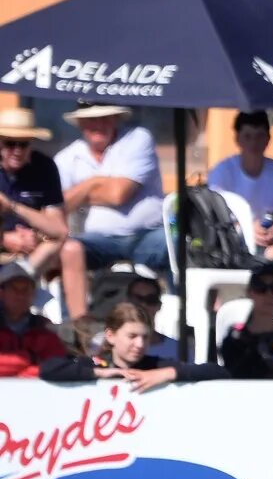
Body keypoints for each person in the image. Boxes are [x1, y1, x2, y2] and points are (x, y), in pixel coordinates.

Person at [55, 103, 167, 300]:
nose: (98, 124)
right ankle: (75, 321)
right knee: (67, 250)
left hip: (147, 235)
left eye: (105, 118)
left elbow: (118, 194)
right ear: (80, 123)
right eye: (91, 119)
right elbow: (57, 206)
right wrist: (94, 182)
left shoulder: (138, 138)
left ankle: (187, 313)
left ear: (116, 119)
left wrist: (79, 195)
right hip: (98, 241)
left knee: (181, 246)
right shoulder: (66, 157)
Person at [43, 300, 222, 389]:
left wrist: (169, 373)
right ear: (111, 336)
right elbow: (49, 369)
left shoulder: (154, 365)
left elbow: (218, 372)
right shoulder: (92, 363)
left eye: (145, 337)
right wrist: (99, 373)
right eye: (132, 336)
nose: (140, 344)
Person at [0, 108, 70, 294]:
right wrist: (5, 239)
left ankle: (20, 278)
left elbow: (59, 230)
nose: (16, 151)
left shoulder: (45, 167)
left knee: (64, 244)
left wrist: (13, 207)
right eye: (10, 143)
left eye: (23, 144)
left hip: (31, 256)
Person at [209, 110, 273, 257]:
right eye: (248, 136)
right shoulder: (221, 172)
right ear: (237, 139)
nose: (254, 142)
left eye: (259, 136)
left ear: (268, 139)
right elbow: (216, 218)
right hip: (232, 243)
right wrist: (247, 229)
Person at [0, 261, 65, 378]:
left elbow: (57, 366)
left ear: (33, 293)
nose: (20, 295)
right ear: (2, 293)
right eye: (14, 289)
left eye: (25, 289)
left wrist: (26, 372)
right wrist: (28, 359)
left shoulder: (45, 329)